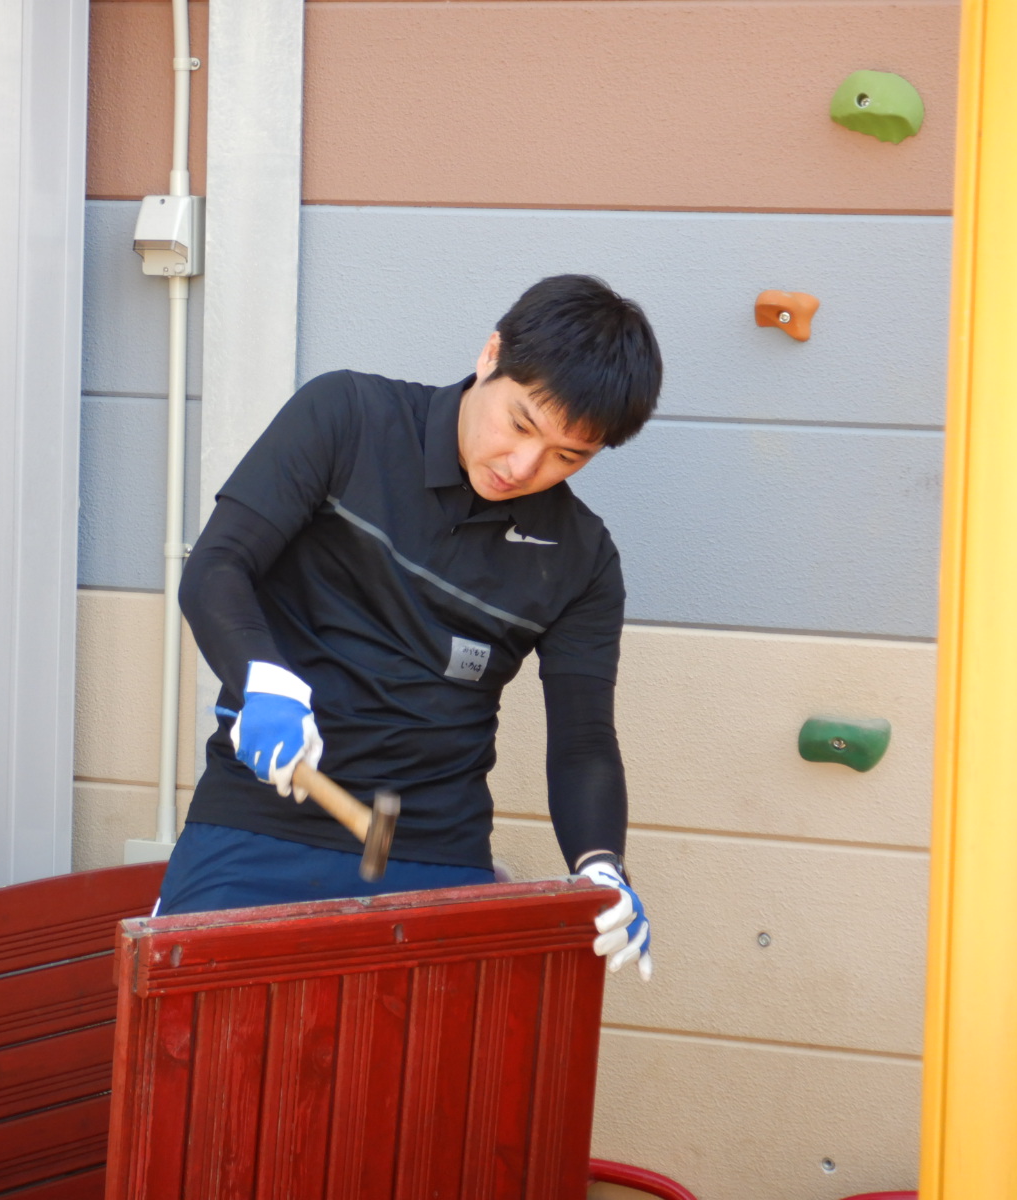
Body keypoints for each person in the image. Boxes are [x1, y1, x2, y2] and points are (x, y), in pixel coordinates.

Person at [158, 274, 659, 981]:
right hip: (258, 825)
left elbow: (583, 744)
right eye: (521, 425)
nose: (524, 466)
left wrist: (601, 865)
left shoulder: (583, 558)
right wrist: (262, 679)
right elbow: (217, 567)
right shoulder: (348, 417)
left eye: (568, 456)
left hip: (436, 854)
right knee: (196, 1036)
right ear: (491, 355)